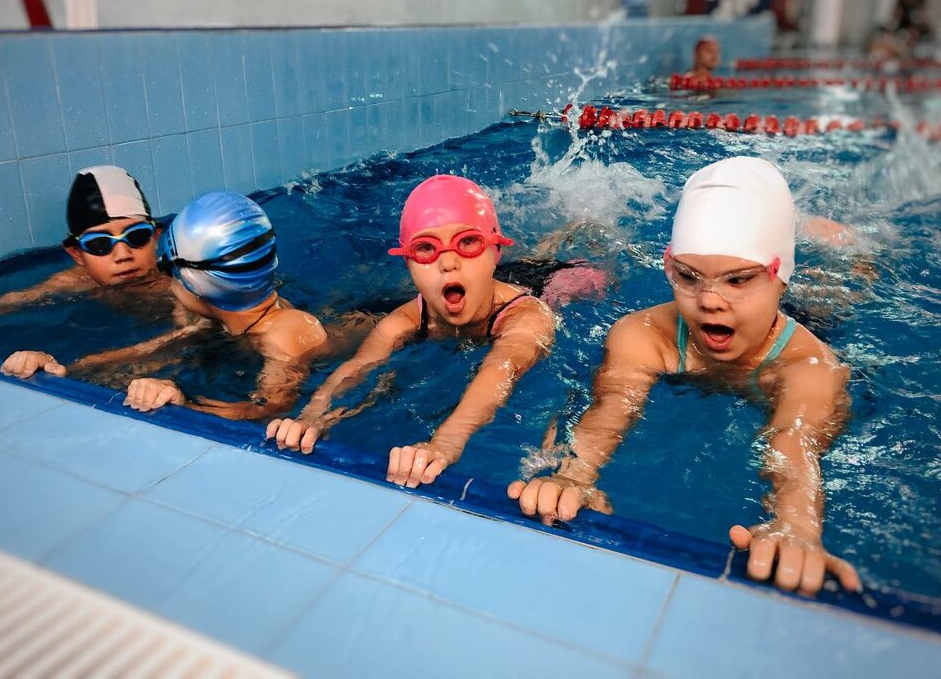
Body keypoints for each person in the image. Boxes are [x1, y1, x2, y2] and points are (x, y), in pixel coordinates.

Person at [508, 157, 862, 596]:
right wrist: (573, 476)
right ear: (669, 266)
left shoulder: (811, 365)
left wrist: (796, 523)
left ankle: (853, 254)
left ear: (778, 277)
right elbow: (610, 407)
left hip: (803, 322)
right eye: (689, 277)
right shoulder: (643, 335)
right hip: (741, 321)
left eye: (738, 280)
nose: (710, 300)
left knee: (835, 297)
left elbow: (794, 440)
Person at [267, 175, 557, 489]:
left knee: (567, 273)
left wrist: (445, 442)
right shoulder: (403, 320)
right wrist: (312, 417)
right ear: (408, 263)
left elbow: (502, 368)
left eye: (467, 242)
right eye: (426, 248)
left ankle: (559, 238)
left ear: (496, 249)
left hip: (544, 282)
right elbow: (358, 366)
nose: (448, 263)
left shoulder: (529, 315)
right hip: (477, 283)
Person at [85, 191, 328, 421]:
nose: (166, 276)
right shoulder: (223, 317)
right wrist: (82, 367)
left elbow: (269, 407)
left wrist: (182, 404)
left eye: (169, 268)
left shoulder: (285, 332)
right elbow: (155, 348)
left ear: (197, 284)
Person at [0, 166, 170, 378]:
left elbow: (180, 337)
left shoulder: (175, 284)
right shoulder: (73, 281)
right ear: (77, 254)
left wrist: (78, 366)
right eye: (100, 244)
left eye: (137, 236)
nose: (123, 254)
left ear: (156, 237)